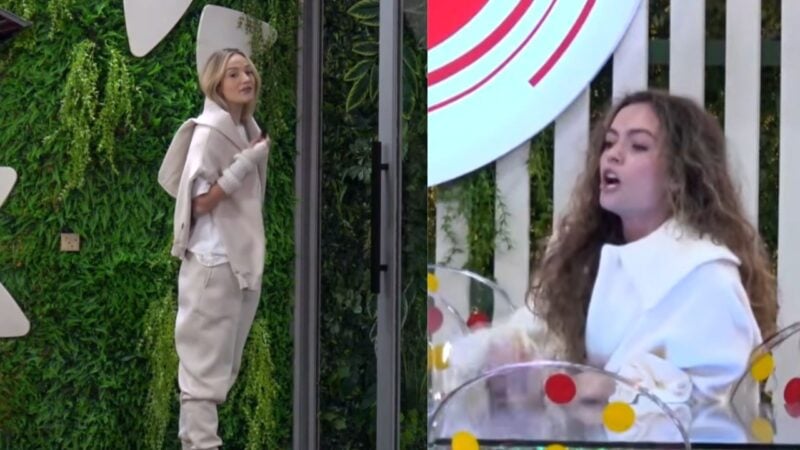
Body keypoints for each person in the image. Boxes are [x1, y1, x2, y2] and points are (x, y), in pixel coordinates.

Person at [443, 90, 778, 408]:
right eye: (609, 142)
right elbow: (531, 337)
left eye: (638, 146)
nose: (613, 155)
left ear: (679, 175)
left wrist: (608, 388)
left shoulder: (706, 276)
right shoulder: (584, 262)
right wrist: (502, 357)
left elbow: (724, 404)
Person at [158, 48, 270, 450]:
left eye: (248, 71)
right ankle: (202, 443)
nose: (245, 79)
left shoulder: (246, 129)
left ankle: (196, 442)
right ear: (216, 84)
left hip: (235, 262)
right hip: (212, 261)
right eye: (233, 74)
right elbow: (197, 203)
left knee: (219, 368)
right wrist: (244, 164)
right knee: (203, 373)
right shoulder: (210, 132)